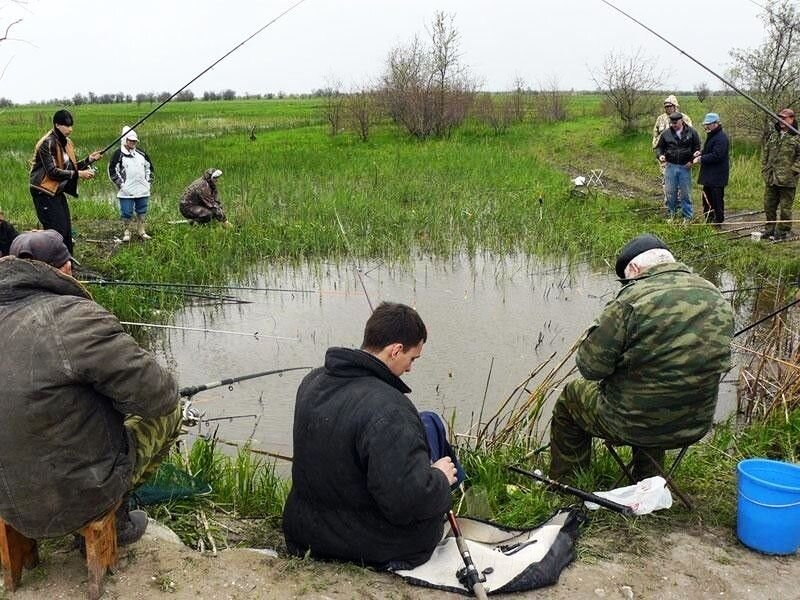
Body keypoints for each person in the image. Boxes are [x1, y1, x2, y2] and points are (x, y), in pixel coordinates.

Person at [0, 230, 183, 545]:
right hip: (76, 499)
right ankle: (117, 515)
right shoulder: (77, 318)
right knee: (171, 412)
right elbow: (159, 393)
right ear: (66, 269)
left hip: (7, 498)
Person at [283, 302, 460, 569]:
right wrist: (439, 478)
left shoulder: (312, 382)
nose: (410, 368)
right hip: (368, 544)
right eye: (412, 358)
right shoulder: (390, 409)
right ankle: (457, 486)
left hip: (303, 533)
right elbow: (405, 504)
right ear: (395, 350)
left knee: (428, 422)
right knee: (436, 444)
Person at [549, 234, 734, 483]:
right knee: (656, 388)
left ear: (634, 269)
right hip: (694, 424)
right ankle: (648, 480)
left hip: (633, 424)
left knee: (571, 396)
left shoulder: (630, 301)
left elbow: (590, 368)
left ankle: (567, 484)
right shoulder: (715, 295)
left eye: (626, 280)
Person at [29, 109, 102, 255]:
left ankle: (67, 263)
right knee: (56, 231)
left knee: (66, 230)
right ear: (57, 125)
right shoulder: (46, 143)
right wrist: (79, 174)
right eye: (66, 126)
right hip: (43, 191)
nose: (70, 129)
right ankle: (53, 265)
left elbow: (71, 168)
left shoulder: (67, 143)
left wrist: (89, 160)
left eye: (71, 126)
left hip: (57, 191)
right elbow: (53, 172)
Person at [108, 126, 155, 241]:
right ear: (124, 140)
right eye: (130, 140)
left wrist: (148, 182)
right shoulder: (118, 154)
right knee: (127, 212)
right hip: (126, 191)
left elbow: (149, 168)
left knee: (142, 210)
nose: (133, 142)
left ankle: (141, 230)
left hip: (142, 189)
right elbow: (112, 170)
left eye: (135, 141)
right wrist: (121, 185)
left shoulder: (142, 154)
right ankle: (127, 231)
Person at [761, 107, 800, 241]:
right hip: (771, 177)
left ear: (792, 119)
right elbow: (765, 153)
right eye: (779, 118)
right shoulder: (774, 135)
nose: (781, 120)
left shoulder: (796, 137)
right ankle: (769, 229)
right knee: (768, 205)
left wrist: (794, 171)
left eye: (784, 118)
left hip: (788, 179)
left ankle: (784, 231)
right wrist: (764, 169)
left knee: (785, 208)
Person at [655, 111, 701, 220]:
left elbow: (697, 148)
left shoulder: (692, 132)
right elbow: (659, 148)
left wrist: (692, 160)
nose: (674, 125)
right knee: (670, 193)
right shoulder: (666, 133)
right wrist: (660, 156)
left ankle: (687, 217)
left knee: (686, 194)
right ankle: (672, 215)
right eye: (672, 123)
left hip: (685, 166)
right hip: (670, 166)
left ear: (681, 121)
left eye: (676, 123)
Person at [693, 112, 730, 224]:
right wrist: (700, 153)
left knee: (716, 201)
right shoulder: (712, 135)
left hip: (717, 177)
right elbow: (709, 151)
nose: (706, 126)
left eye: (709, 124)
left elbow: (717, 155)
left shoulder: (721, 138)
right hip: (709, 176)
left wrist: (700, 159)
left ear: (716, 123)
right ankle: (708, 219)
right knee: (706, 199)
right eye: (706, 124)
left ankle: (717, 222)